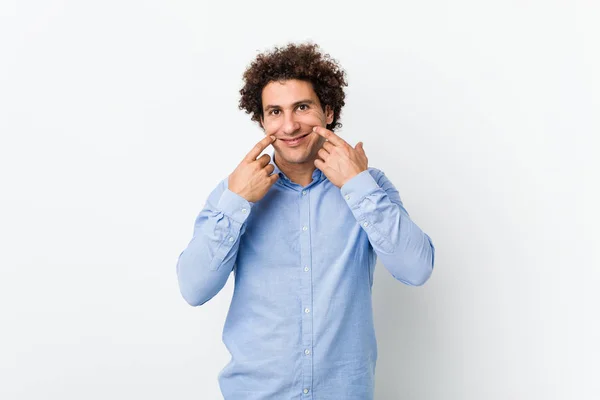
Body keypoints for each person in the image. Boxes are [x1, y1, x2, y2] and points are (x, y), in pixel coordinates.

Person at [176, 42, 435, 400]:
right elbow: (193, 288)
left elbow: (417, 268)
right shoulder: (233, 193)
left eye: (302, 107)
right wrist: (236, 202)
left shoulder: (368, 187)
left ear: (327, 111)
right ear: (263, 122)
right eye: (275, 112)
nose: (290, 124)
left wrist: (358, 185)